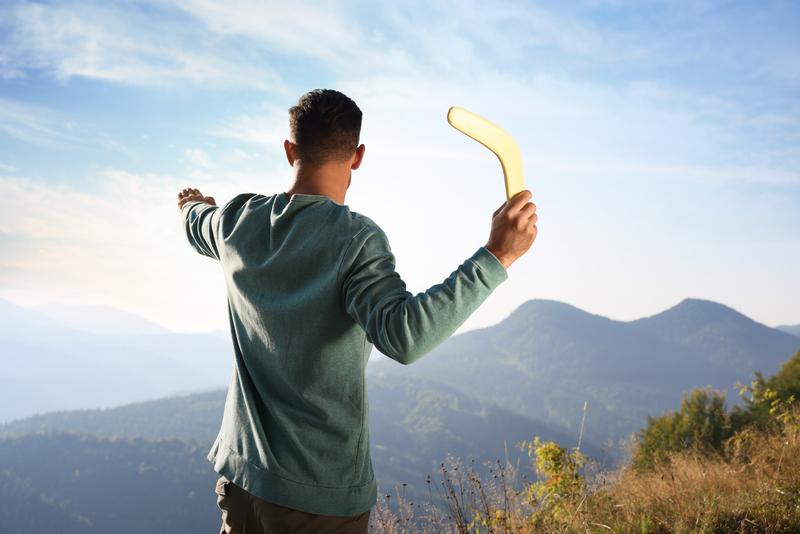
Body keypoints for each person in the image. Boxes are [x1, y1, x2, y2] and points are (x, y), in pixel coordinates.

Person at [176, 88, 538, 534]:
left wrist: (193, 204)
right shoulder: (355, 242)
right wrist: (497, 255)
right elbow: (404, 337)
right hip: (317, 499)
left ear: (290, 150)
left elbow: (198, 224)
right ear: (358, 156)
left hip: (241, 482)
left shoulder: (236, 220)